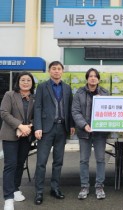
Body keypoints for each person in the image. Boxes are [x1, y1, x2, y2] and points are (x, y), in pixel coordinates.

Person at [33, 61, 75, 205]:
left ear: (62, 71)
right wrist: (37, 127)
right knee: (41, 162)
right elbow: (37, 107)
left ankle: (55, 188)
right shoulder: (42, 87)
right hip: (45, 129)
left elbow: (70, 108)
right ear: (49, 71)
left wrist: (71, 125)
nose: (56, 71)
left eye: (59, 69)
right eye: (54, 69)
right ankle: (38, 192)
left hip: (62, 129)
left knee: (58, 161)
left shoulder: (67, 88)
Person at [72, 68, 109, 200]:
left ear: (98, 79)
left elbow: (110, 111)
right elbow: (75, 112)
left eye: (95, 76)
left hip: (100, 133)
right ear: (87, 78)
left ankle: (99, 186)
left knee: (100, 159)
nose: (93, 78)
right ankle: (84, 186)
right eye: (90, 76)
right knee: (84, 160)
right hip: (84, 132)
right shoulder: (79, 93)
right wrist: (84, 125)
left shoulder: (105, 93)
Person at [0, 72, 35, 210]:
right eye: (23, 80)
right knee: (10, 165)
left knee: (20, 163)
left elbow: (36, 115)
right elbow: (4, 112)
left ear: (32, 83)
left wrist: (28, 127)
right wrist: (20, 125)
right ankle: (8, 198)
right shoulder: (10, 95)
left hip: (26, 135)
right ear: (18, 82)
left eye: (28, 80)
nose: (25, 82)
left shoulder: (34, 98)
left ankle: (15, 189)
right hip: (10, 135)